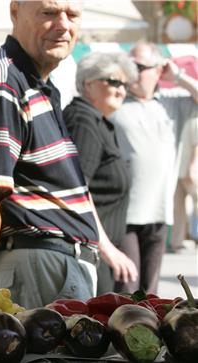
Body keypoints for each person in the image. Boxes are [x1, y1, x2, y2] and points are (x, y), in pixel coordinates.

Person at [0, 0, 137, 309]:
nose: (63, 24)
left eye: (72, 14)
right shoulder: (1, 83)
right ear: (15, 12)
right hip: (38, 264)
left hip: (49, 265)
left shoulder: (34, 83)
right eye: (49, 13)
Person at [110, 42, 198, 294]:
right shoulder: (115, 100)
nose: (131, 71)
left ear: (159, 70)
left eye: (139, 66)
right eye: (128, 65)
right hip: (123, 214)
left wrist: (179, 76)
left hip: (159, 213)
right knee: (126, 291)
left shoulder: (172, 103)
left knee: (150, 295)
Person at [63, 51, 138, 294]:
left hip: (97, 252)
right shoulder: (84, 121)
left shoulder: (97, 120)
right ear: (88, 83)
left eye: (125, 84)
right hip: (90, 253)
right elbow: (77, 190)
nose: (121, 90)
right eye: (114, 81)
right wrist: (107, 250)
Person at [173, 117, 198, 251]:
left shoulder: (194, 118)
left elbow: (197, 144)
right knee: (178, 208)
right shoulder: (181, 116)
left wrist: (193, 166)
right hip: (178, 168)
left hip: (189, 169)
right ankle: (177, 241)